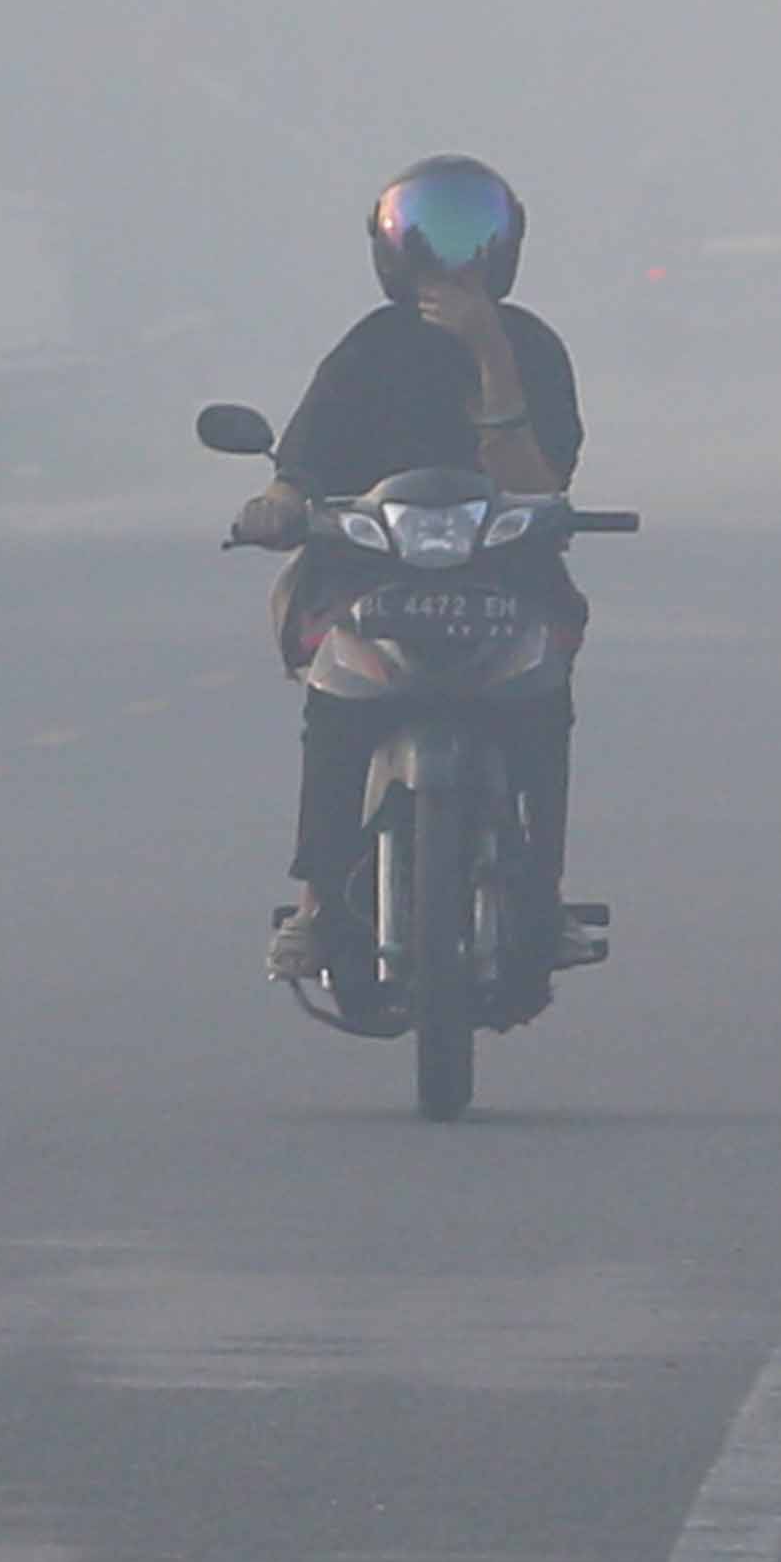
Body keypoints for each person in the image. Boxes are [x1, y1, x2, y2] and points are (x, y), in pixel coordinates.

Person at [238, 155, 583, 983]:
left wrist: (491, 354)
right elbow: (301, 462)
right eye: (433, 235)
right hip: (372, 579)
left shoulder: (531, 347)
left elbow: (539, 485)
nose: (450, 260)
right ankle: (320, 907)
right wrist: (279, 501)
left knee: (544, 702)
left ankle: (543, 897)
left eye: (471, 238)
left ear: (501, 250)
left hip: (500, 581)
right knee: (334, 707)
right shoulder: (367, 348)